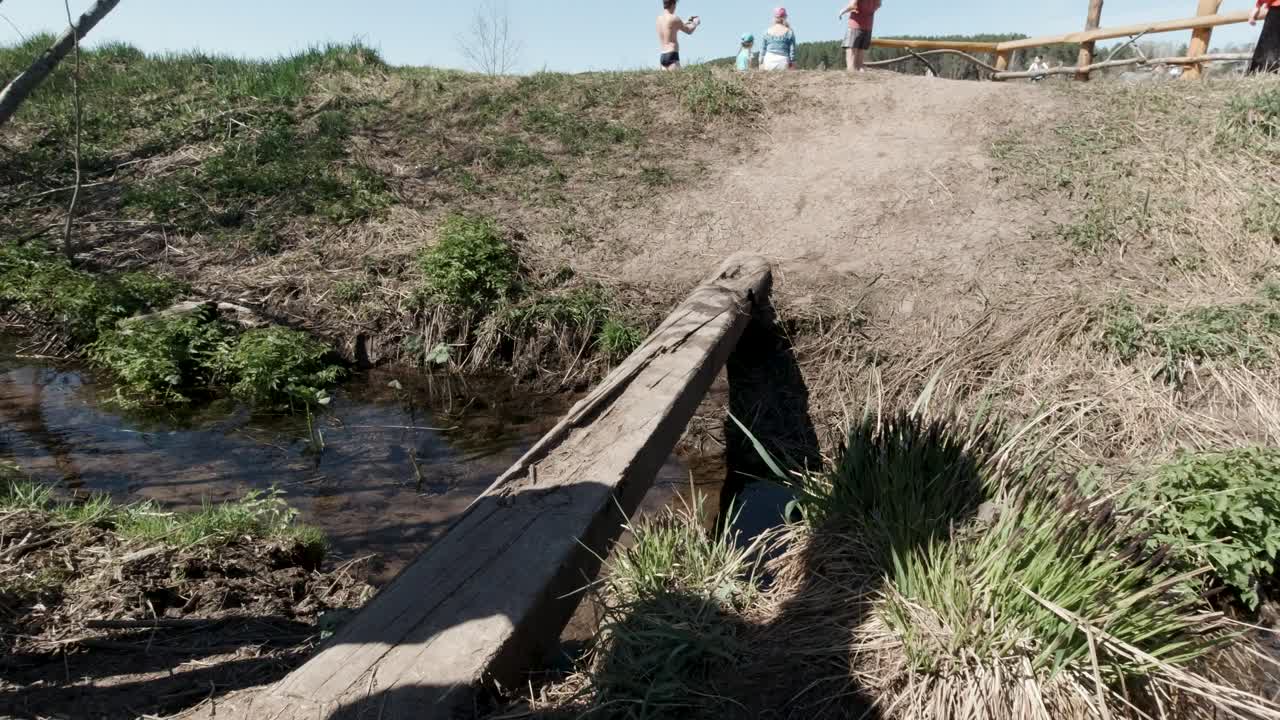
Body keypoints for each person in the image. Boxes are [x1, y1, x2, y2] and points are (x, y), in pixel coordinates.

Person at [656, 0, 701, 71]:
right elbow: (689, 30)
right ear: (673, 4)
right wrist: (695, 23)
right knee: (680, 80)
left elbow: (672, 26)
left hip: (663, 56)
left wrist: (688, 21)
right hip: (672, 55)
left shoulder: (659, 19)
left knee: (667, 82)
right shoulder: (674, 18)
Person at [839, 0, 881, 72]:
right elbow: (878, 4)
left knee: (851, 49)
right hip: (868, 25)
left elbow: (853, 5)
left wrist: (842, 11)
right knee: (860, 50)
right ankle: (860, 72)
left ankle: (851, 72)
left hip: (855, 24)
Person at [760, 7, 797, 71]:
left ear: (774, 17)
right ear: (785, 17)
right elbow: (792, 51)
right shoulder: (789, 32)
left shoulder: (766, 31)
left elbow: (763, 50)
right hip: (783, 63)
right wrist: (792, 63)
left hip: (768, 62)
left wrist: (760, 63)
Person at [1249, 0, 1280, 74]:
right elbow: (1259, 4)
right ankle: (1266, 69)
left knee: (1269, 43)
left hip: (1275, 12)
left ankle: (1264, 70)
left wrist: (1251, 16)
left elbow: (1259, 4)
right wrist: (1252, 16)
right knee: (1269, 43)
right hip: (1275, 12)